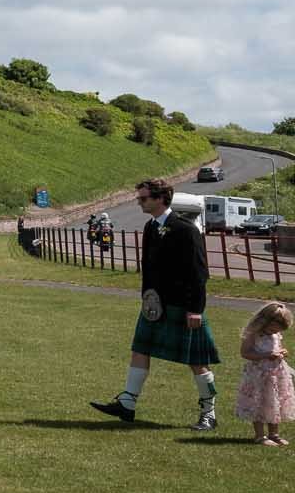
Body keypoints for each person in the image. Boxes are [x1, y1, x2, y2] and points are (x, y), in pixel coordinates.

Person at [90, 178, 221, 430]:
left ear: (160, 198)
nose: (139, 202)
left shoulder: (185, 229)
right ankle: (127, 403)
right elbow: (149, 268)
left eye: (143, 198)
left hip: (183, 305)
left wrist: (195, 309)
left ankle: (209, 413)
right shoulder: (151, 227)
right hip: (156, 305)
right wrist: (148, 298)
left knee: (196, 360)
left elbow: (199, 273)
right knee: (140, 349)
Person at [235, 302, 293, 446]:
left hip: (276, 375)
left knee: (274, 402)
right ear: (264, 321)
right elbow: (245, 353)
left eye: (278, 329)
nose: (275, 331)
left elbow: (276, 348)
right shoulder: (253, 335)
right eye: (273, 327)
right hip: (259, 376)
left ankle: (274, 434)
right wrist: (266, 355)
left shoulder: (276, 335)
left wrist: (282, 352)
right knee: (259, 403)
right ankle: (260, 435)